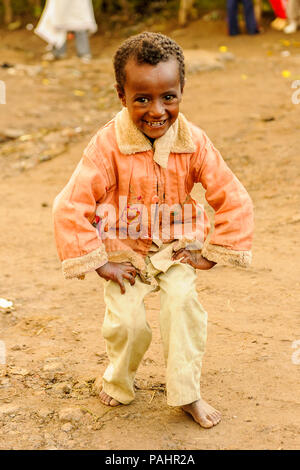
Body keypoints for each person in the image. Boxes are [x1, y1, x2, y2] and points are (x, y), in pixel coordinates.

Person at [53, 32, 254, 428]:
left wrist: (212, 251)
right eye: (142, 98)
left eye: (169, 97)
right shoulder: (106, 146)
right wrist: (100, 264)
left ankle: (187, 392)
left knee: (183, 308)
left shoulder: (193, 141)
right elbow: (70, 205)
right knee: (128, 323)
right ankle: (117, 381)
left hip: (174, 248)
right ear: (121, 95)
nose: (157, 110)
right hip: (123, 252)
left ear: (181, 91)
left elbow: (232, 195)